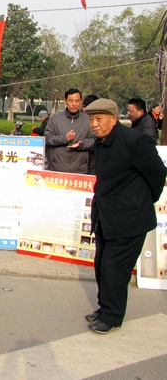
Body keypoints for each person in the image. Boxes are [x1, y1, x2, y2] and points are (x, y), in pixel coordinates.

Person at [84, 98, 167, 334]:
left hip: (129, 218)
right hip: (105, 216)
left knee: (115, 270)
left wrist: (141, 200)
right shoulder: (101, 143)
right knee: (102, 265)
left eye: (99, 119)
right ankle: (105, 307)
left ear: (113, 119)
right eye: (91, 119)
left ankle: (113, 316)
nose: (94, 124)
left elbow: (158, 174)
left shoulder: (135, 141)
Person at [43, 88, 95, 174]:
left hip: (80, 169)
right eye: (71, 101)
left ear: (81, 101)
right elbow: (47, 139)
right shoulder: (55, 119)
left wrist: (82, 144)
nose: (74, 104)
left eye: (77, 101)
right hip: (57, 168)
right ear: (65, 101)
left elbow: (94, 139)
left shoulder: (88, 120)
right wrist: (64, 138)